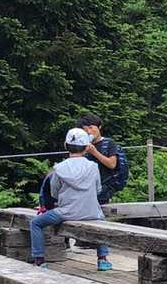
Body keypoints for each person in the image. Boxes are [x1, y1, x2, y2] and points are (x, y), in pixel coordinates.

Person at [31, 128, 112, 270]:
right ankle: (102, 259)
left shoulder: (59, 168)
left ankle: (40, 260)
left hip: (65, 212)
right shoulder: (93, 166)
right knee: (101, 218)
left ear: (66, 146)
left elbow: (54, 192)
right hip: (91, 212)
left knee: (35, 223)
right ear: (86, 147)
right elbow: (98, 189)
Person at [77, 113, 128, 205]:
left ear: (99, 127)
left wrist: (94, 152)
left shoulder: (109, 143)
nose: (89, 131)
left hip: (104, 188)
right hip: (87, 187)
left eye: (91, 127)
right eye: (85, 129)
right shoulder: (82, 145)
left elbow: (112, 164)